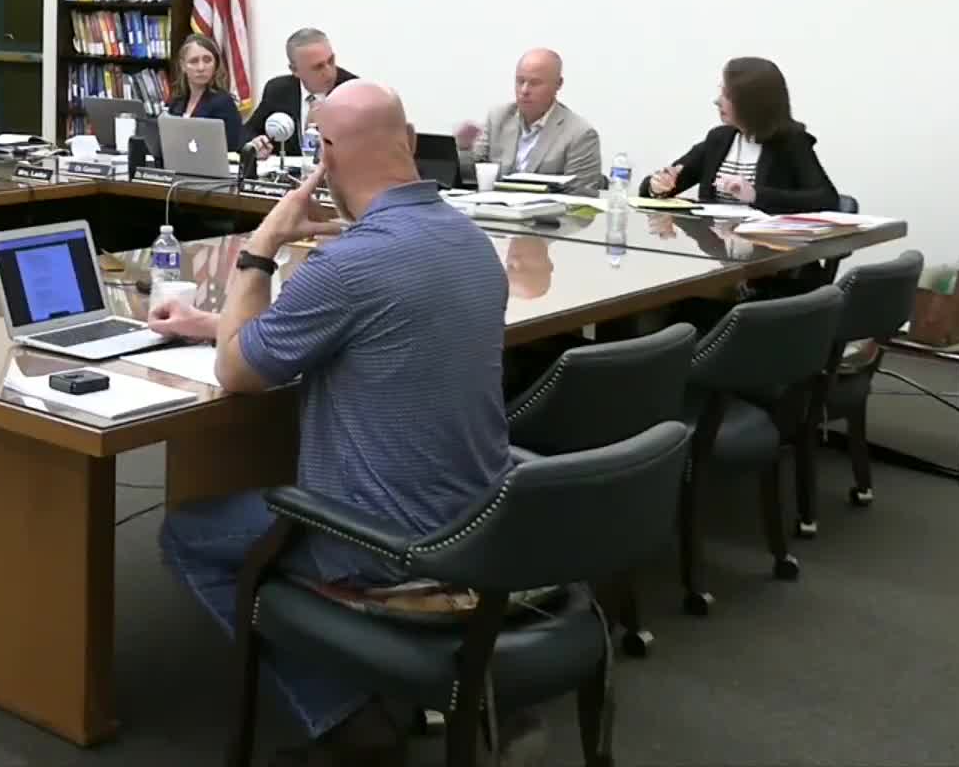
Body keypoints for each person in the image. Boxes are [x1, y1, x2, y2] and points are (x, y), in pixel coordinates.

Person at [146, 80, 512, 764]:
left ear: (327, 155)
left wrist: (262, 246)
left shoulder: (346, 265)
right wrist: (213, 323)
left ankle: (341, 715)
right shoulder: (472, 241)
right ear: (409, 142)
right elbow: (355, 329)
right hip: (480, 519)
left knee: (188, 535)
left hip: (380, 542)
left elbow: (237, 372)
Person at [641, 56, 838, 213]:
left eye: (727, 95)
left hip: (768, 248)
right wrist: (657, 187)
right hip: (717, 244)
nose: (717, 101)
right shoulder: (719, 139)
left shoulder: (792, 142)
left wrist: (755, 195)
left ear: (752, 102)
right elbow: (668, 182)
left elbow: (826, 199)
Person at [455, 48, 604, 194]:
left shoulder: (580, 134)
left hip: (546, 210)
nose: (524, 90)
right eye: (520, 81)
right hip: (493, 207)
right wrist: (463, 150)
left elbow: (582, 196)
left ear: (558, 84)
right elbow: (472, 173)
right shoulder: (498, 117)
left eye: (535, 83)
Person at [243, 27, 359, 157]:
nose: (329, 71)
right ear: (295, 70)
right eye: (318, 67)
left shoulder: (352, 90)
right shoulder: (278, 90)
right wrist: (256, 144)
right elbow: (247, 132)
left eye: (331, 61)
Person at [163, 32, 244, 150]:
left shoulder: (223, 102)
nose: (201, 68)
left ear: (216, 64)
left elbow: (232, 147)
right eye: (194, 61)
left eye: (207, 60)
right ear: (183, 66)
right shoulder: (177, 102)